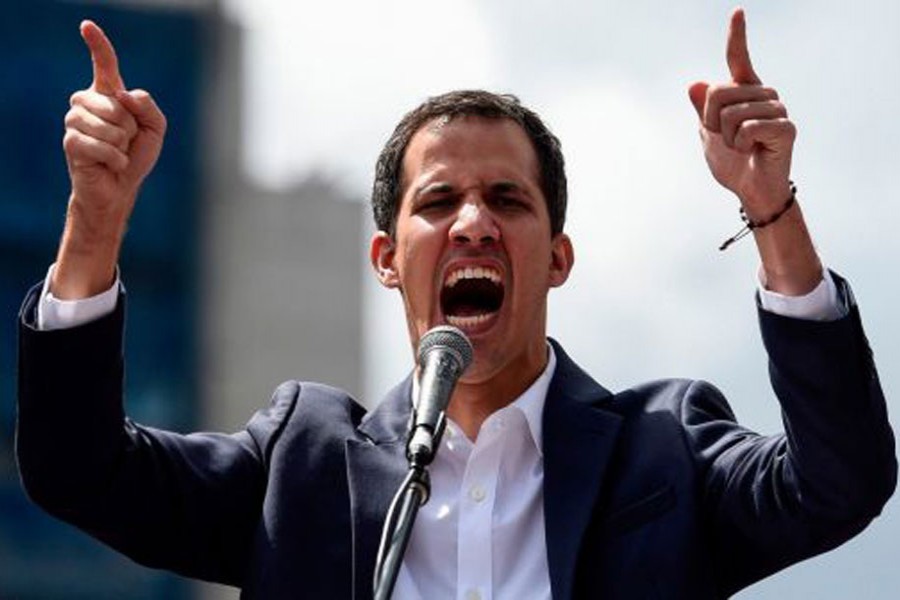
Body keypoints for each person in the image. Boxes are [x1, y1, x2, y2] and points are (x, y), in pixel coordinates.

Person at [16, 8, 895, 600]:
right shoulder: (301, 466)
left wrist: (770, 210)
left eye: (507, 200)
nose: (474, 223)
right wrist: (96, 221)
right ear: (387, 261)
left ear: (557, 259)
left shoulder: (663, 449)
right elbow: (77, 469)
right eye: (439, 202)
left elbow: (839, 483)